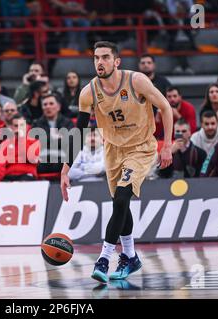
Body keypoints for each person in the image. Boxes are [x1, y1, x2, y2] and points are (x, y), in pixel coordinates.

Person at [60, 41, 173, 283]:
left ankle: (104, 258)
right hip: (112, 149)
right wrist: (65, 169)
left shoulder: (137, 81)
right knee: (120, 205)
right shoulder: (88, 92)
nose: (99, 62)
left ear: (116, 61)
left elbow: (165, 107)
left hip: (141, 147)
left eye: (105, 57)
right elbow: (78, 132)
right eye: (96, 58)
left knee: (122, 197)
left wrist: (168, 145)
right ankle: (130, 257)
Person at [0, 114, 40, 181]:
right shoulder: (4, 144)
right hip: (8, 176)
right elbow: (0, 164)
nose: (18, 128)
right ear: (11, 127)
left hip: (27, 174)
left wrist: (22, 139)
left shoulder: (34, 142)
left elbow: (33, 159)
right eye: (16, 126)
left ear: (26, 127)